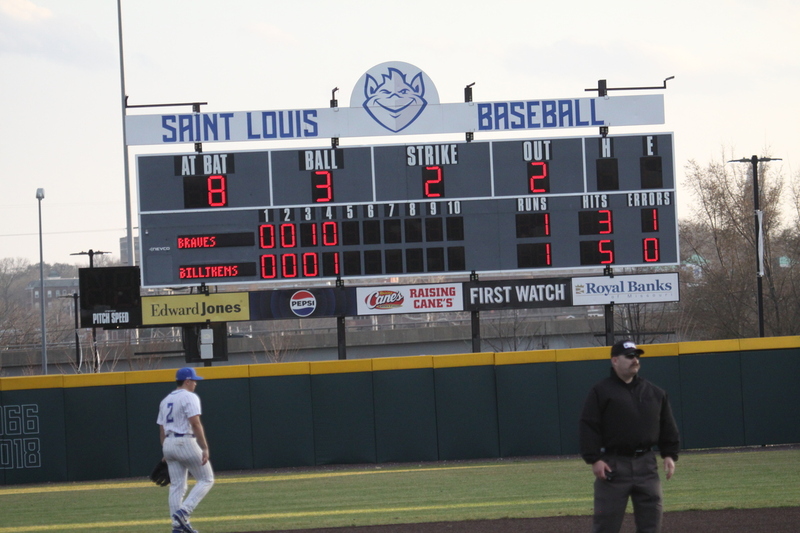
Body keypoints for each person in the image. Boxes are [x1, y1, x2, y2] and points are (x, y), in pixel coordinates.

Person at [579, 340, 680, 533]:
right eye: (630, 356)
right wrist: (594, 459)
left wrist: (669, 454)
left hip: (647, 466)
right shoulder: (601, 392)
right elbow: (588, 426)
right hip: (613, 465)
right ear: (615, 360)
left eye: (637, 356)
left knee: (651, 525)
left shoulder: (655, 392)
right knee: (606, 524)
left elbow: (667, 425)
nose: (635, 360)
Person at [157, 367, 215, 533]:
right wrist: (204, 447)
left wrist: (165, 451)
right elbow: (195, 423)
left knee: (176, 486)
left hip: (168, 442)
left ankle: (177, 527)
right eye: (194, 380)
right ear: (187, 381)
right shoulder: (189, 396)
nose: (196, 383)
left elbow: (161, 430)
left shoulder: (165, 400)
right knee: (207, 479)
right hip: (185, 441)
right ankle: (183, 512)